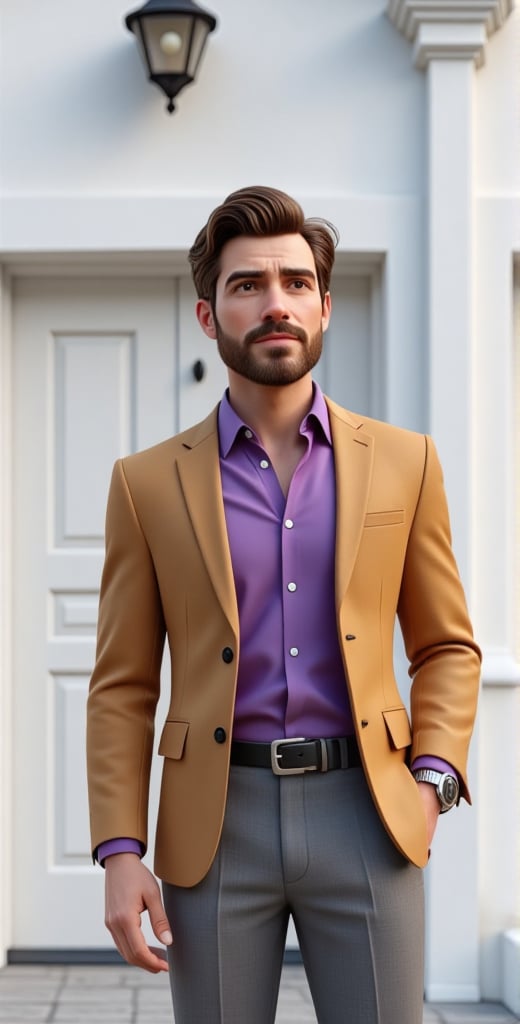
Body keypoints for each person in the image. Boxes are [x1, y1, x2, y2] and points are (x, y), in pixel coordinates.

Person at [87, 185, 481, 1024]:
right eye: (248, 285)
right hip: (215, 825)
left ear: (326, 308)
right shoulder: (146, 483)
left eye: (297, 283)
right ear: (207, 315)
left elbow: (447, 646)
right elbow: (122, 683)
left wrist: (432, 783)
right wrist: (122, 851)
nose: (277, 303)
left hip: (368, 813)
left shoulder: (406, 463)